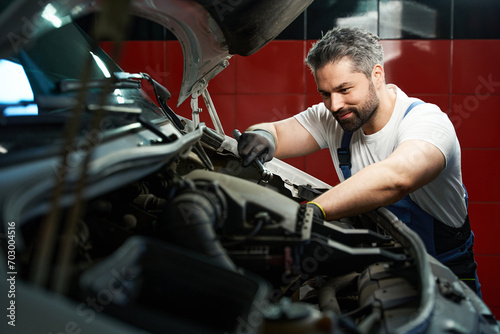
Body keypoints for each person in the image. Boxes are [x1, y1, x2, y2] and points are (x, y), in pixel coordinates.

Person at [237, 26, 481, 297]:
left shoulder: (427, 123)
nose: (334, 105)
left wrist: (311, 212)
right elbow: (278, 132)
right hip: (382, 274)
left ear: (376, 75)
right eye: (325, 93)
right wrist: (262, 135)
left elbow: (397, 178)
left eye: (344, 89)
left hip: (444, 281)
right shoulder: (336, 118)